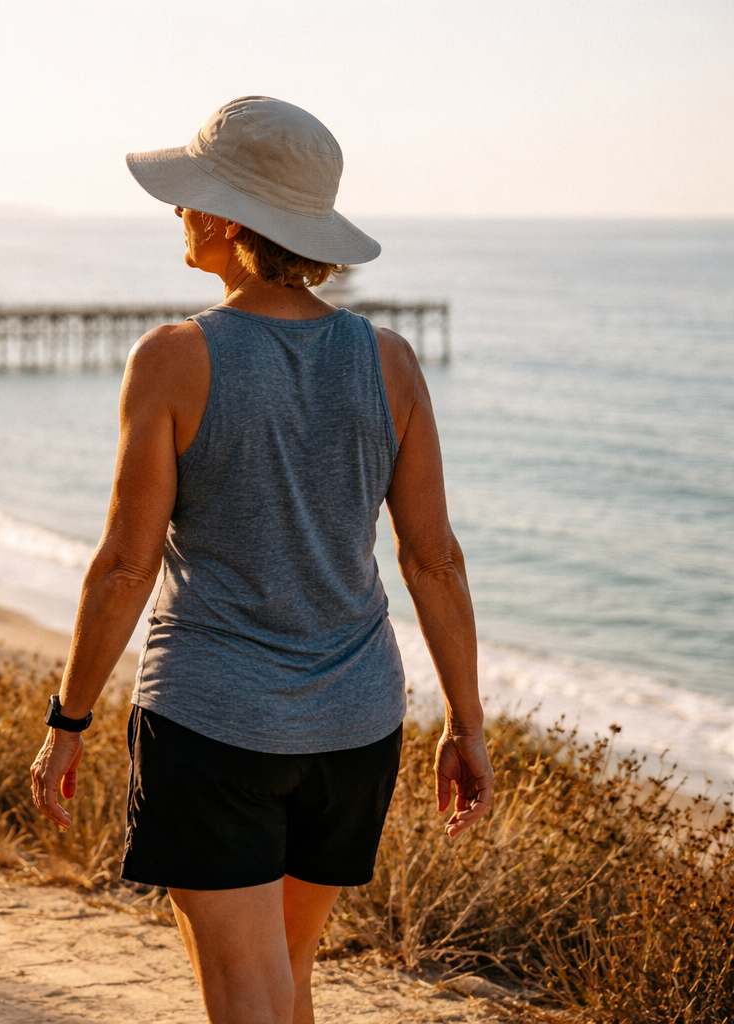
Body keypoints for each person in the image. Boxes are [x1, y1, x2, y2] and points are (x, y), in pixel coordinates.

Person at [30, 96, 495, 1024]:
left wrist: (68, 718)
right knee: (284, 975)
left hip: (214, 723)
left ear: (230, 221)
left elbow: (126, 566)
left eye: (191, 195)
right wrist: (467, 725)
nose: (177, 212)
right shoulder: (391, 360)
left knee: (249, 993)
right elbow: (434, 560)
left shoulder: (173, 358)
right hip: (356, 729)